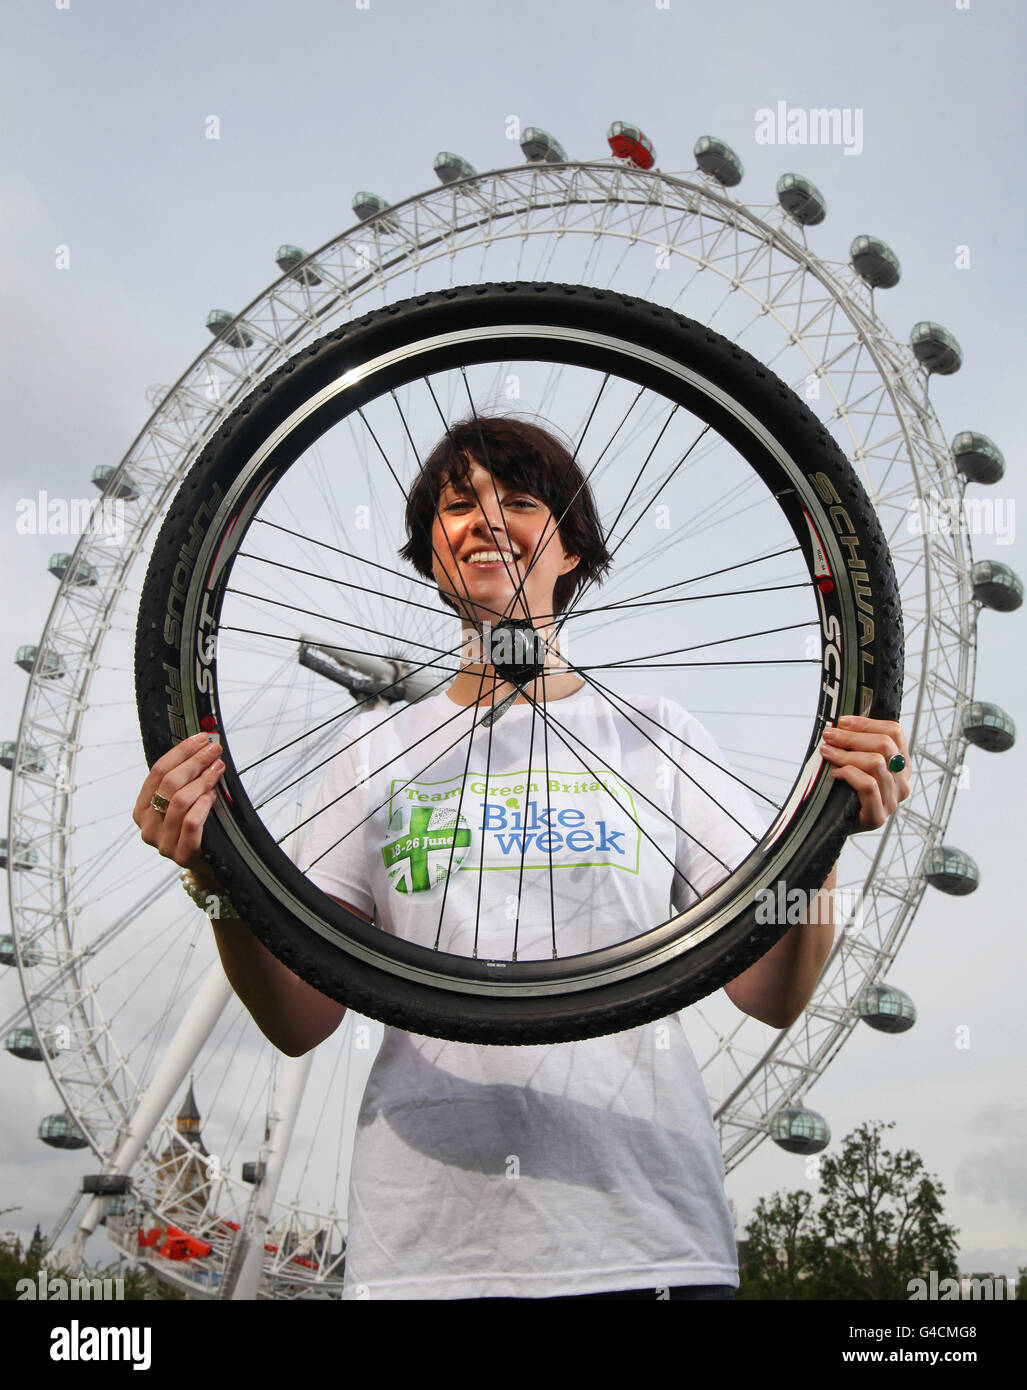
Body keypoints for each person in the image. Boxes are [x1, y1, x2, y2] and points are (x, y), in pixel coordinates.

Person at [134, 414, 911, 1300]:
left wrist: (825, 844)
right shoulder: (370, 749)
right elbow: (300, 1018)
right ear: (432, 554)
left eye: (521, 499)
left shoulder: (658, 737)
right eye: (458, 504)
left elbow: (771, 994)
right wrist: (216, 881)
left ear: (571, 547)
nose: (486, 518)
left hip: (646, 1237)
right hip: (422, 1253)